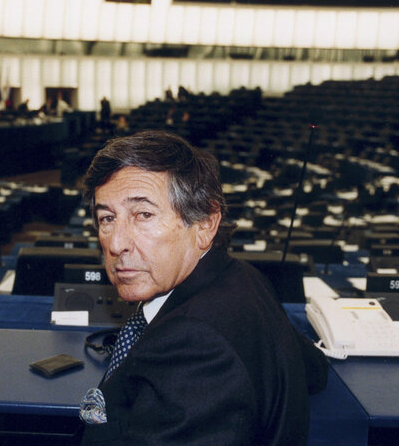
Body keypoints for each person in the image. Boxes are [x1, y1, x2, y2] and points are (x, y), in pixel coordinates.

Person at [79, 131, 327, 446]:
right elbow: (315, 370)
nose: (115, 243)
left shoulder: (193, 345)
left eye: (143, 215)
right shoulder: (243, 277)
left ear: (205, 224)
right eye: (107, 218)